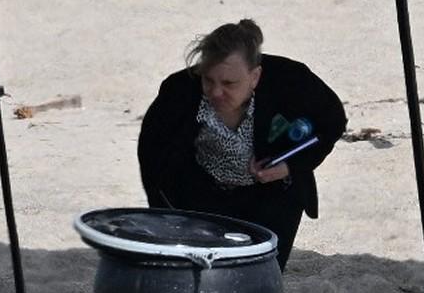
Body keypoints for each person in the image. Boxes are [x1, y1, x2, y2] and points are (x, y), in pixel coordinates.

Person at [138, 19, 346, 271]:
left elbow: (332, 121)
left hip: (273, 196)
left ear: (255, 76)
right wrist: (167, 215)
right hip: (202, 194)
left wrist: (290, 166)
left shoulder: (291, 81)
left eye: (228, 84)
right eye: (208, 80)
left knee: (261, 273)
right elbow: (152, 154)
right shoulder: (179, 91)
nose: (216, 92)